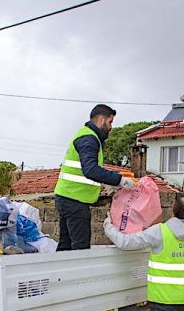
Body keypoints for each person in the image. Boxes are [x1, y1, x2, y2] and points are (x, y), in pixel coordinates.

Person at [54, 104, 135, 250]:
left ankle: (59, 273)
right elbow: (90, 170)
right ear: (101, 120)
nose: (111, 127)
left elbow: (86, 171)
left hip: (67, 197)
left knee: (66, 246)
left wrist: (106, 185)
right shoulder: (89, 139)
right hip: (74, 200)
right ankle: (76, 273)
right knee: (80, 247)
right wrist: (120, 180)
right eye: (110, 122)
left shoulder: (85, 135)